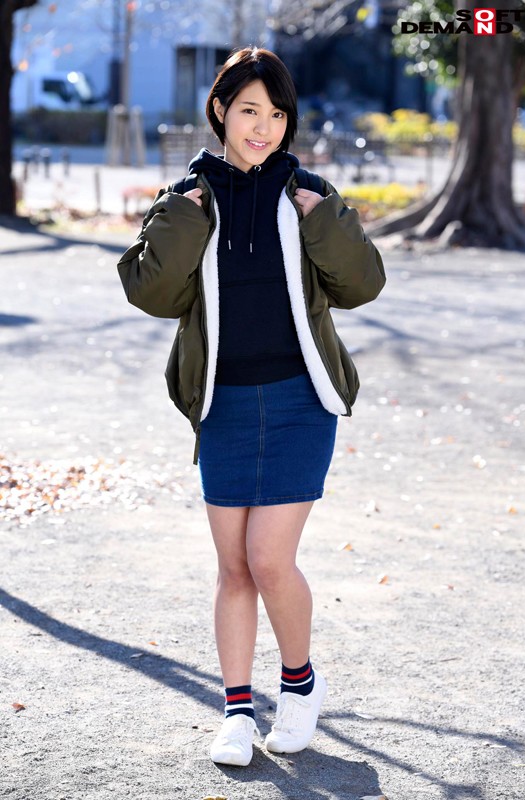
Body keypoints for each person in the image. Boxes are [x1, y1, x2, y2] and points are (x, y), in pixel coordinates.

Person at [117, 46, 385, 767]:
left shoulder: (309, 193)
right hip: (224, 405)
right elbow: (150, 293)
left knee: (268, 558)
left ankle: (298, 685)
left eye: (276, 114)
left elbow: (363, 285)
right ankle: (236, 713)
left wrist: (324, 219)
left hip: (300, 401)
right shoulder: (187, 198)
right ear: (219, 112)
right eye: (248, 111)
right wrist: (181, 219)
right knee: (232, 566)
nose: (263, 127)